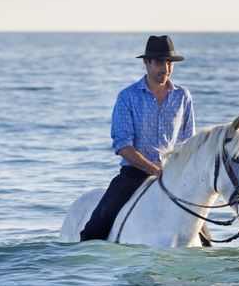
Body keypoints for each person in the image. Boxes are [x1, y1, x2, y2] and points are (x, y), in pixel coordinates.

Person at [80, 35, 195, 241]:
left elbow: (188, 143)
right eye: (160, 62)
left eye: (169, 63)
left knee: (203, 238)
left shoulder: (183, 96)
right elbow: (123, 145)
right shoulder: (128, 96)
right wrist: (154, 170)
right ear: (146, 62)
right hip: (133, 175)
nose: (166, 69)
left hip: (173, 176)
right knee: (95, 228)